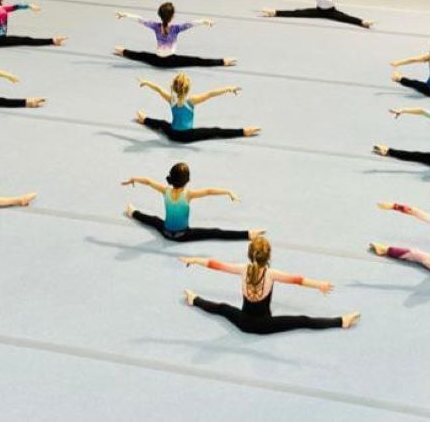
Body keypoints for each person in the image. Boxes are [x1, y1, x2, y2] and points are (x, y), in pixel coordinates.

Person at [180, 236, 360, 334]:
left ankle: (193, 299)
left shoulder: (242, 269)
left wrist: (194, 259)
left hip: (243, 322)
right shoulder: (271, 274)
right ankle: (341, 321)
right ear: (268, 256)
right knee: (302, 321)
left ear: (250, 255)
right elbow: (298, 280)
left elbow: (215, 265)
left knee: (222, 308)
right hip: (265, 325)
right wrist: (319, 284)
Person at [122, 162, 260, 242]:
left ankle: (132, 212)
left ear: (171, 178)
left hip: (166, 232)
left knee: (153, 220)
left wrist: (133, 179)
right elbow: (209, 191)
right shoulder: (188, 195)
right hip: (183, 235)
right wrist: (228, 192)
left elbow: (148, 181)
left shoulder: (165, 191)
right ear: (187, 180)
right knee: (215, 232)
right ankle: (247, 234)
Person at [136, 73, 259, 143]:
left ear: (174, 87)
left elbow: (158, 89)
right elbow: (211, 93)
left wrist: (146, 82)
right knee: (215, 131)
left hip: (173, 134)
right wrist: (229, 88)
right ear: (187, 88)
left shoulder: (171, 99)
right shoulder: (191, 101)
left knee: (162, 124)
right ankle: (243, 132)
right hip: (188, 136)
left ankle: (144, 120)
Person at [114, 3, 235, 68]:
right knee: (196, 61)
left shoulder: (155, 26)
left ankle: (122, 51)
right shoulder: (176, 28)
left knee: (141, 55)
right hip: (172, 61)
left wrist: (125, 15)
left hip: (157, 60)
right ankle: (223, 61)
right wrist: (204, 21)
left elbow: (140, 19)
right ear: (172, 16)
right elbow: (190, 24)